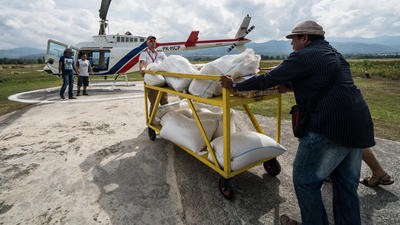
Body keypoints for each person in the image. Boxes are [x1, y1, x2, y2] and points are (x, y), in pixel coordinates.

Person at [220, 20, 375, 225]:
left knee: (305, 181)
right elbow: (314, 80)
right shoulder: (334, 54)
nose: (291, 44)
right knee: (346, 185)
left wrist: (234, 86)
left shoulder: (303, 56)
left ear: (305, 38)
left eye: (294, 39)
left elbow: (269, 78)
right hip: (358, 124)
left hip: (329, 126)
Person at [139, 35, 168, 114]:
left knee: (164, 102)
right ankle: (151, 123)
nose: (153, 43)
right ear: (147, 43)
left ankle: (165, 119)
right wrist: (143, 69)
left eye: (154, 41)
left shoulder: (160, 53)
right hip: (151, 81)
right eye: (150, 41)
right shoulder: (144, 54)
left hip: (162, 80)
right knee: (154, 103)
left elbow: (167, 62)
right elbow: (142, 64)